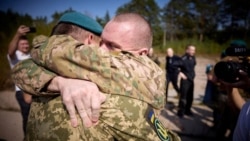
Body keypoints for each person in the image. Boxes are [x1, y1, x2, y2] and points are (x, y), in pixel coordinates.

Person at [12, 12, 180, 140]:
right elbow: (21, 69)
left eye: (112, 46)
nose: (101, 51)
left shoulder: (141, 72)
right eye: (102, 42)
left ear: (141, 54)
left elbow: (27, 66)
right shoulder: (65, 71)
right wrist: (60, 82)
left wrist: (41, 45)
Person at [7, 25, 33, 135]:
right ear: (17, 46)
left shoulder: (31, 55)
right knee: (27, 117)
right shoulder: (15, 56)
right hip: (21, 91)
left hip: (33, 91)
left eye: (26, 43)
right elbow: (10, 51)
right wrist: (18, 34)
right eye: (22, 44)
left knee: (36, 118)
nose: (25, 45)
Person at [177, 45, 196, 117]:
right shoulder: (183, 58)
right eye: (191, 50)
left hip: (191, 80)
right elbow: (174, 66)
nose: (193, 51)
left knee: (190, 97)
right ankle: (181, 112)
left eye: (194, 50)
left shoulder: (193, 58)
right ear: (187, 50)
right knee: (183, 97)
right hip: (185, 81)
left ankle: (188, 110)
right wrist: (180, 73)